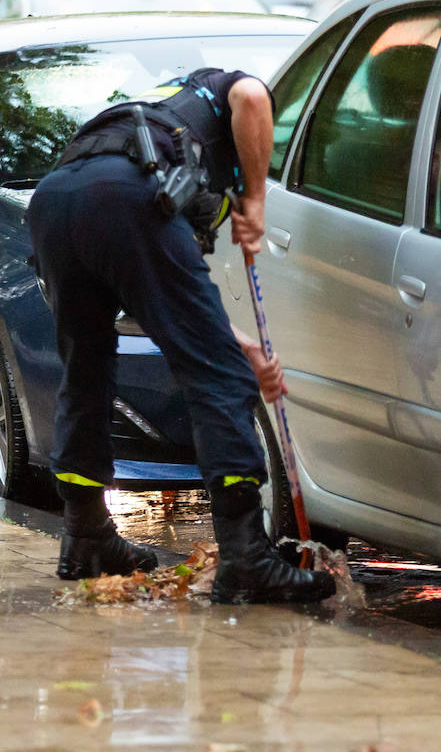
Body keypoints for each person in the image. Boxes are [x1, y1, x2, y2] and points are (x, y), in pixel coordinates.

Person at [27, 67, 335, 605]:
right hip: (125, 200)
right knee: (219, 378)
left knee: (87, 369)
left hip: (55, 202)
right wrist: (255, 202)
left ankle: (86, 536)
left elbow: (158, 302)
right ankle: (246, 558)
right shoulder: (219, 89)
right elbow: (252, 96)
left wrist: (241, 344)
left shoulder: (156, 116)